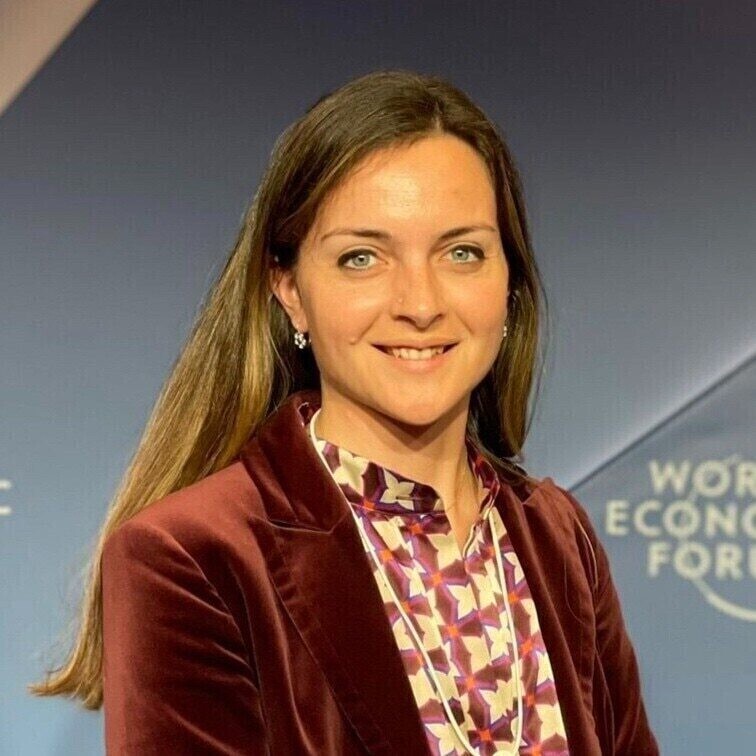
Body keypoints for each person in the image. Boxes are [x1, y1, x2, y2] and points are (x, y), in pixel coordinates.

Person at [29, 69, 659, 755]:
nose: (420, 303)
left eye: (462, 252)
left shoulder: (558, 534)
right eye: (363, 258)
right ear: (289, 289)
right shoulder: (193, 556)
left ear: (509, 282)